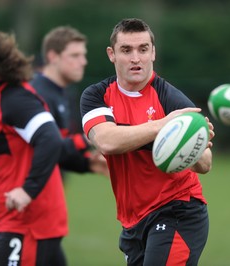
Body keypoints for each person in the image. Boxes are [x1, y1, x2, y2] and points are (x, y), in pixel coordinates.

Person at [80, 18, 214, 265]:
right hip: (133, 221)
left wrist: (189, 138)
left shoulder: (170, 97)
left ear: (153, 52)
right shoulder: (96, 96)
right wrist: (165, 127)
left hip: (177, 210)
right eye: (126, 50)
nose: (135, 58)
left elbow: (205, 163)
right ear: (112, 54)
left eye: (143, 49)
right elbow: (107, 141)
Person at [0, 27, 68, 265]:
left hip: (28, 227)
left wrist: (28, 190)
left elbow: (50, 138)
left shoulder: (15, 99)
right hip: (5, 221)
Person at [31, 26, 108, 177]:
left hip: (48, 190)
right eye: (75, 55)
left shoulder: (60, 92)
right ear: (53, 56)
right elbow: (44, 150)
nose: (83, 62)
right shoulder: (36, 94)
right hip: (25, 195)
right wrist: (91, 138)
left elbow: (59, 150)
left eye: (83, 55)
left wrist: (89, 163)